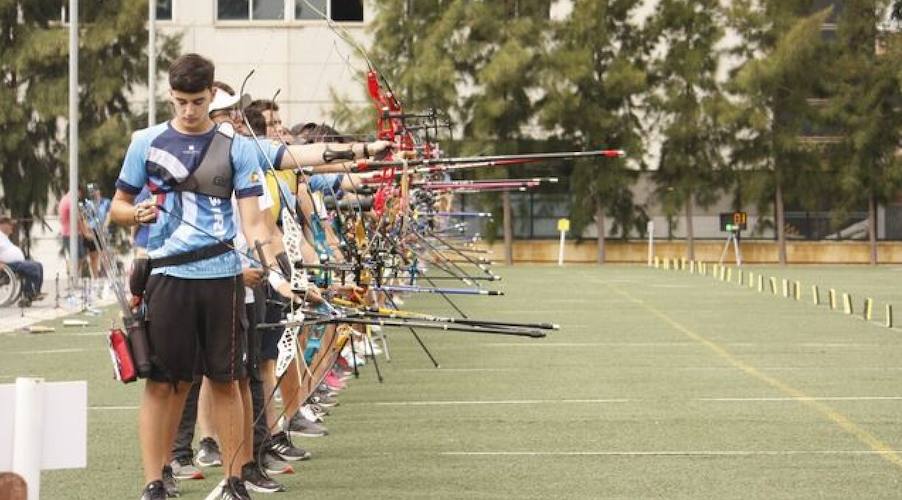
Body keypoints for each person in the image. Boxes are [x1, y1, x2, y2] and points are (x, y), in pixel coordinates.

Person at [111, 53, 282, 500]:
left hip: (222, 276)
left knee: (227, 381)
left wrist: (271, 266)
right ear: (170, 95)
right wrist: (136, 214)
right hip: (166, 276)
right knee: (162, 382)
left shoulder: (237, 147)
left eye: (198, 101)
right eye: (182, 101)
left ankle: (235, 479)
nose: (189, 111)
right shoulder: (144, 142)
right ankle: (154, 482)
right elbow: (118, 206)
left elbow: (255, 222)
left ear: (212, 96)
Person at [0, 216, 43, 306]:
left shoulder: (4, 237)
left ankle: (36, 292)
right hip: (9, 265)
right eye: (10, 225)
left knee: (38, 265)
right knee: (32, 267)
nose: (12, 227)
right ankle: (28, 294)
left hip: (17, 263)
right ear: (2, 225)